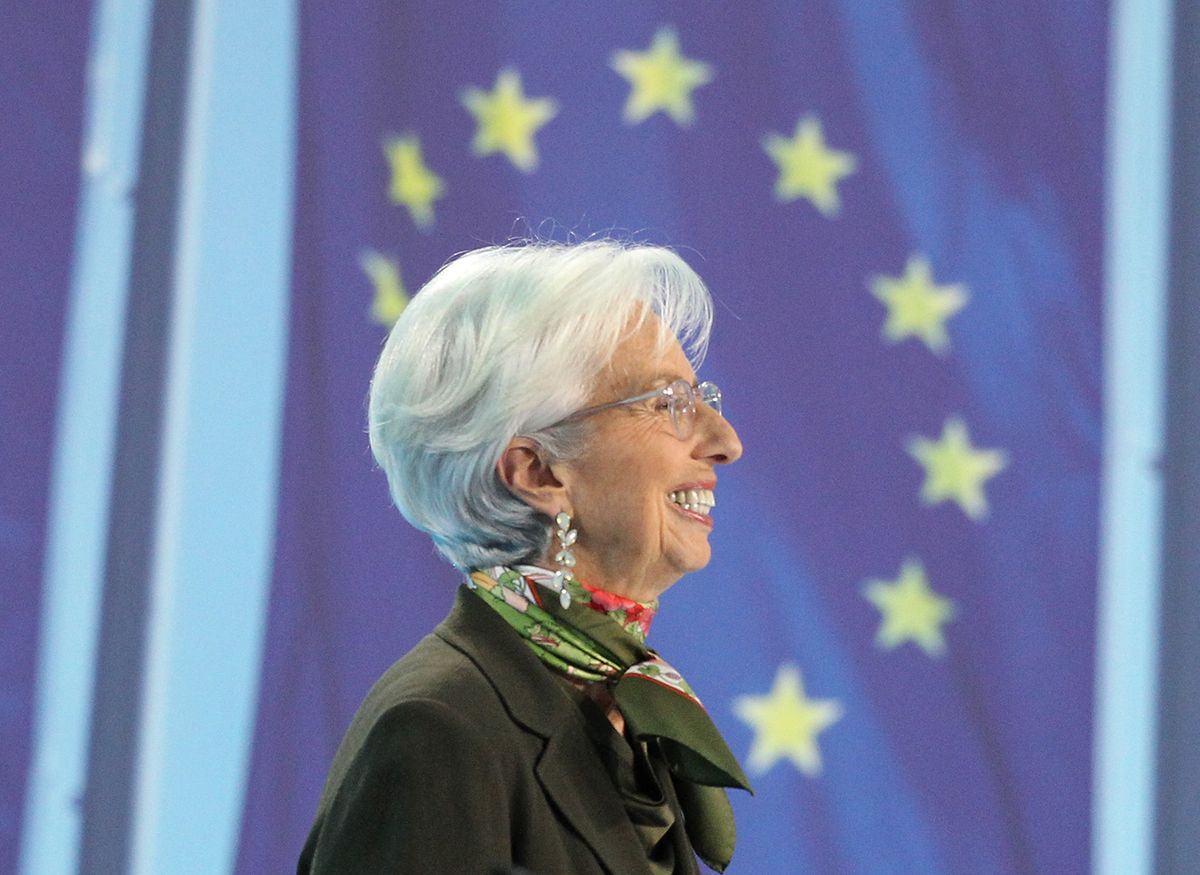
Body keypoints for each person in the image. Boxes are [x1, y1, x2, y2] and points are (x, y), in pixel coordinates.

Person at [298, 240, 751, 875]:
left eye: (702, 397)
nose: (724, 441)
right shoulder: (438, 733)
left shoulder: (611, 705)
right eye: (666, 404)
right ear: (537, 471)